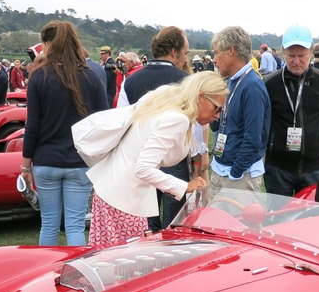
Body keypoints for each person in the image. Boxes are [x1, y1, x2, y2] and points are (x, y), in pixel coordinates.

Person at [87, 71, 226, 247]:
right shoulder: (178, 119)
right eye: (217, 108)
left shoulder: (166, 99)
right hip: (125, 200)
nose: (218, 115)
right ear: (201, 97)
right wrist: (185, 186)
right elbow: (143, 168)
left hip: (113, 192)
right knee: (122, 263)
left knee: (106, 260)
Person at [22, 21, 109, 246]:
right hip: (79, 162)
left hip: (46, 159)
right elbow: (103, 122)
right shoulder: (92, 77)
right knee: (75, 225)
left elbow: (32, 126)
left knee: (49, 224)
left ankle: (46, 274)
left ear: (50, 44)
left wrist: (25, 165)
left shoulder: (39, 77)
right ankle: (77, 276)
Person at [118, 25, 195, 230]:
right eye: (185, 54)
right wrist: (198, 162)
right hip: (173, 159)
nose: (185, 59)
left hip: (139, 157)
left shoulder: (130, 80)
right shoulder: (186, 83)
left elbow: (122, 121)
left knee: (146, 220)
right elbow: (193, 130)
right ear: (174, 52)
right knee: (174, 223)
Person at [263, 25, 319, 197]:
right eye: (291, 55)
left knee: (309, 221)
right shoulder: (270, 83)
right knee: (279, 221)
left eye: (301, 55)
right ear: (282, 52)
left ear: (311, 52)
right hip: (278, 169)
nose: (296, 61)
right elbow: (264, 123)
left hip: (314, 168)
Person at [209, 26, 271, 194]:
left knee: (236, 221)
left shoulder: (252, 86)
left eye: (217, 53)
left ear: (231, 51)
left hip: (238, 176)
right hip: (221, 168)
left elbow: (253, 138)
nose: (214, 59)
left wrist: (235, 173)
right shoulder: (231, 81)